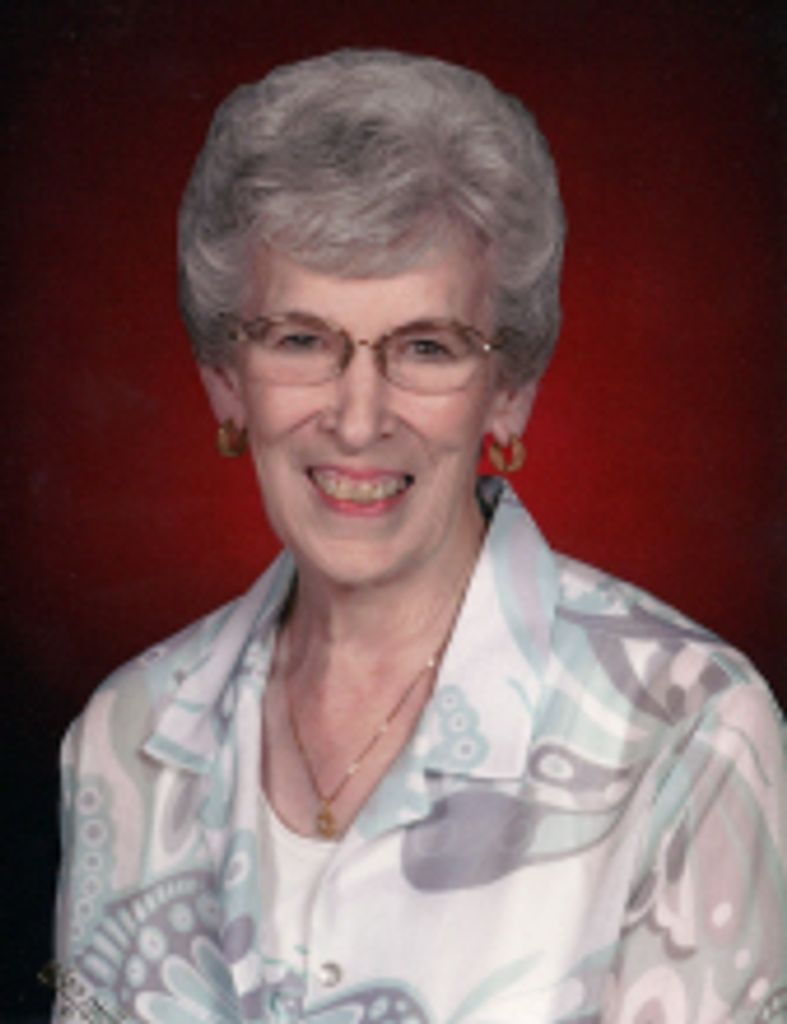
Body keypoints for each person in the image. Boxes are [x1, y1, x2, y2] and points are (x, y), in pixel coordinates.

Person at [53, 49, 786, 1024]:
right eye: (300, 339)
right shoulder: (123, 735)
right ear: (226, 381)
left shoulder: (688, 731)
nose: (358, 420)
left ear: (508, 392)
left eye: (426, 348)